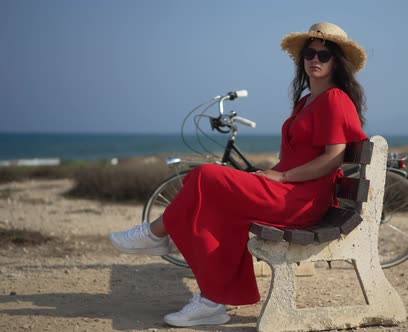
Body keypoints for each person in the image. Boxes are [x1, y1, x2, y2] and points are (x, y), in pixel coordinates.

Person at [110, 22, 368, 327]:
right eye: (309, 53)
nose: (315, 59)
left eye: (324, 55)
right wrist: (274, 174)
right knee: (212, 202)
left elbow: (332, 159)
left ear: (337, 61)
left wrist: (283, 178)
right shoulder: (305, 100)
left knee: (207, 175)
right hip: (289, 190)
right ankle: (212, 301)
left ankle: (155, 234)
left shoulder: (335, 99)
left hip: (301, 199)